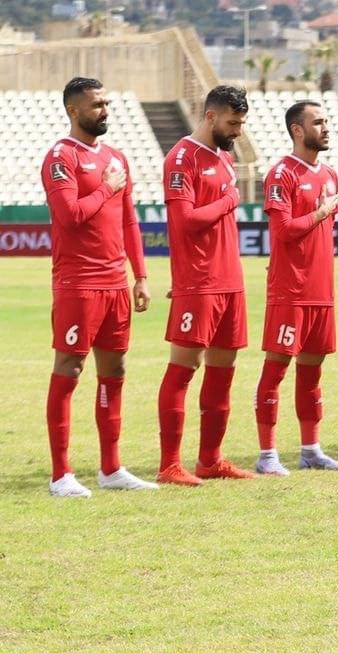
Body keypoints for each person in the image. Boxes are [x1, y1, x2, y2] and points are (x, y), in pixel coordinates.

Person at [40, 76, 155, 496]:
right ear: (73, 110)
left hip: (114, 284)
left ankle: (111, 469)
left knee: (115, 371)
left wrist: (139, 275)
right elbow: (70, 215)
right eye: (96, 105)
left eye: (107, 103)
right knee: (69, 368)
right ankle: (61, 474)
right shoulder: (60, 157)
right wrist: (107, 186)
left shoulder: (116, 157)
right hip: (78, 283)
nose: (105, 110)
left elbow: (128, 221)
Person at [158, 84, 252, 485]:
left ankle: (210, 460)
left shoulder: (225, 157)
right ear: (210, 115)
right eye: (233, 122)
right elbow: (186, 222)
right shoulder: (182, 158)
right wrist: (229, 201)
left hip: (230, 279)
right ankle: (169, 465)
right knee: (184, 368)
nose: (237, 131)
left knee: (223, 368)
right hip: (200, 281)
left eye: (242, 123)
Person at [254, 100, 338, 475]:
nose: (326, 128)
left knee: (313, 372)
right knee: (276, 369)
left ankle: (311, 449)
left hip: (321, 290)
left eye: (327, 121)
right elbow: (283, 230)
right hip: (290, 290)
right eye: (318, 122)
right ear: (297, 130)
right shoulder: (282, 174)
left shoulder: (330, 175)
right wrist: (322, 212)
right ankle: (267, 455)